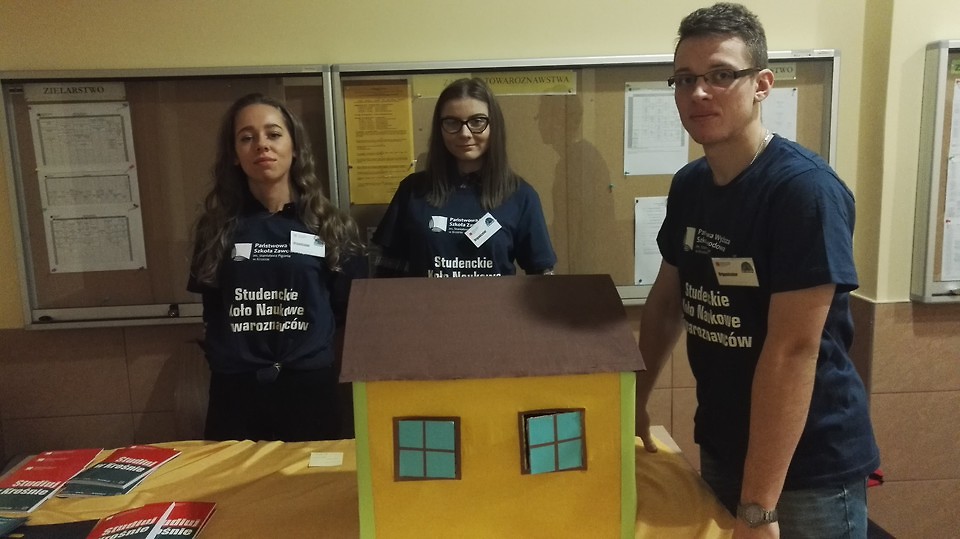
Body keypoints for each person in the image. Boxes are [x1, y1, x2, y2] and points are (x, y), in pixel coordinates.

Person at [636, 4, 879, 538]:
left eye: (721, 75)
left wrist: (758, 507)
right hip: (724, 445)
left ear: (762, 84)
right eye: (685, 79)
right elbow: (667, 301)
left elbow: (794, 351)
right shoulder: (690, 186)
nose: (700, 92)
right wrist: (634, 398)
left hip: (805, 468)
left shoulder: (803, 192)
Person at [188, 93, 364, 442]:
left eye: (273, 134)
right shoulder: (215, 229)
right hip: (236, 392)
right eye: (247, 137)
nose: (261, 145)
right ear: (234, 154)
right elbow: (214, 309)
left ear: (294, 147)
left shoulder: (332, 226)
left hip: (310, 390)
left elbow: (347, 310)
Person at [372, 77, 556, 278]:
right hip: (425, 300)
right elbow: (387, 273)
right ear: (440, 128)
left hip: (494, 301)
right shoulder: (412, 191)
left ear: (494, 126)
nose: (465, 133)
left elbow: (541, 277)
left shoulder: (520, 196)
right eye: (452, 122)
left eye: (477, 121)